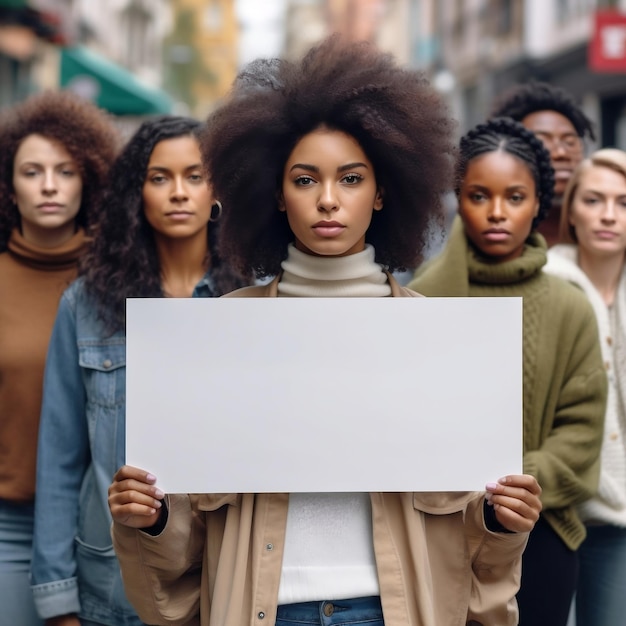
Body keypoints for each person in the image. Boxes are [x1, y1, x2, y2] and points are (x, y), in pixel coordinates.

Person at [108, 37, 542, 626]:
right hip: (263, 611)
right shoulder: (219, 338)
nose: (329, 200)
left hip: (390, 611)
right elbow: (182, 556)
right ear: (277, 196)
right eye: (306, 180)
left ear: (384, 190)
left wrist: (499, 520)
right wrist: (152, 518)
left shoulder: (440, 341)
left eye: (352, 178)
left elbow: (472, 552)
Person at [30, 116, 250, 626]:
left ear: (217, 190)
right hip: (111, 584)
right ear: (137, 193)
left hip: (224, 579)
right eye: (159, 178)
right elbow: (60, 461)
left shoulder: (251, 301)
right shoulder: (85, 304)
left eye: (195, 176)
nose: (178, 192)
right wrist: (58, 600)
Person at [408, 117, 607, 626]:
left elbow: (581, 431)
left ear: (540, 203)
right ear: (458, 200)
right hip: (438, 533)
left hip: (542, 538)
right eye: (479, 195)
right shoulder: (418, 300)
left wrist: (513, 488)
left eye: (515, 197)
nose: (497, 212)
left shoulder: (570, 304)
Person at [0, 90, 119, 626]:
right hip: (11, 525)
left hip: (111, 529)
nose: (49, 185)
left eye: (65, 171)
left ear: (89, 180)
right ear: (9, 185)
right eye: (32, 171)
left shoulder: (119, 283)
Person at [544, 148, 626, 626]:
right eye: (594, 200)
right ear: (571, 209)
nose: (609, 215)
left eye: (623, 202)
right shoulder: (550, 283)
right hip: (566, 511)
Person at [491, 81, 596, 246]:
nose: (561, 153)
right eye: (542, 141)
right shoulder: (491, 225)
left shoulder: (607, 223)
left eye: (570, 141)